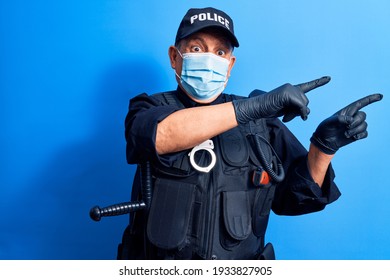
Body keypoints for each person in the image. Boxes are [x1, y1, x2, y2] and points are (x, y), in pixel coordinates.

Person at [117, 7, 383, 260]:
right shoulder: (149, 107)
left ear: (230, 65)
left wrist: (323, 148)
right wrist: (255, 107)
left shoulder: (260, 123)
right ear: (175, 57)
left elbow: (295, 198)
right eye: (197, 48)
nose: (209, 59)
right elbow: (160, 136)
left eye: (220, 52)